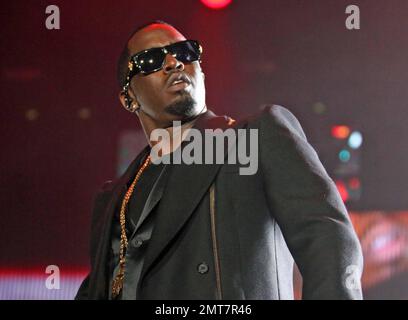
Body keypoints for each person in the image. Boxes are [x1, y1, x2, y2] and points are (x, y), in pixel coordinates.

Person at [76, 20, 363, 300]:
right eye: (151, 59)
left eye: (186, 52)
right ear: (129, 99)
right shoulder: (114, 198)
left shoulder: (255, 138)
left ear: (201, 71)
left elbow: (328, 240)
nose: (174, 63)